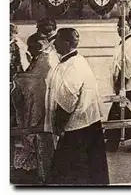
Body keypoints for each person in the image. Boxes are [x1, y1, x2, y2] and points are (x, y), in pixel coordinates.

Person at [46, 28, 109, 185]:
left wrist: (59, 127)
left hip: (77, 127)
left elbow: (67, 101)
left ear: (66, 44)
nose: (54, 43)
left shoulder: (72, 66)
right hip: (89, 124)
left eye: (57, 40)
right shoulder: (78, 60)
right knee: (90, 171)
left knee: (71, 173)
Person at [11, 34, 58, 184]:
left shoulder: (45, 59)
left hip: (41, 104)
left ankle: (44, 174)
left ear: (38, 47)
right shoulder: (41, 56)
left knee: (41, 139)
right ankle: (39, 171)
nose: (28, 50)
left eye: (31, 47)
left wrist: (18, 78)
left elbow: (35, 79)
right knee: (37, 139)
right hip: (37, 103)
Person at [105, 19, 131, 152]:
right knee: (129, 113)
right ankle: (117, 141)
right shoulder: (125, 41)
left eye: (123, 27)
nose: (119, 29)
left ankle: (113, 142)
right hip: (128, 85)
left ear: (130, 27)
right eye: (118, 27)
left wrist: (120, 83)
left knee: (124, 113)